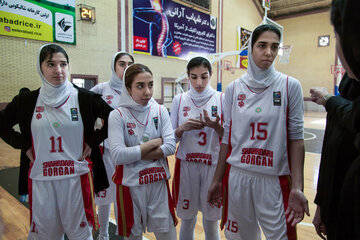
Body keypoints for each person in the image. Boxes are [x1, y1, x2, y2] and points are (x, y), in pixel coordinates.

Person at [0, 44, 113, 240]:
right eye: (51, 64)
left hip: (75, 180)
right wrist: (23, 145)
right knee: (46, 236)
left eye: (63, 64)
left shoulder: (84, 98)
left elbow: (115, 118)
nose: (58, 70)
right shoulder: (27, 101)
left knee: (80, 236)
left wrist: (93, 141)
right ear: (40, 67)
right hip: (42, 181)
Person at [207, 24, 310, 240]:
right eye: (262, 45)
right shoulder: (233, 89)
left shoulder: (290, 85)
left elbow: (296, 139)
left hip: (274, 180)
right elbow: (226, 139)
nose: (269, 52)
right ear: (251, 49)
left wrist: (298, 186)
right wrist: (217, 180)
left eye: (274, 47)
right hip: (238, 176)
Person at [108, 63, 177, 240]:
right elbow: (117, 155)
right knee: (133, 236)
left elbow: (170, 146)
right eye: (140, 86)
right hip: (130, 187)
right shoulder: (118, 115)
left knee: (168, 235)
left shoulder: (160, 110)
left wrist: (133, 153)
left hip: (158, 184)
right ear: (128, 88)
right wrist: (154, 143)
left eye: (151, 85)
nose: (147, 92)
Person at [309, 0, 360, 239]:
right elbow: (332, 153)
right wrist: (323, 205)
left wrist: (329, 100)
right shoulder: (348, 85)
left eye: (338, 36)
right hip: (336, 211)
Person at [170, 56, 223, 240]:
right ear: (187, 76)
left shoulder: (221, 98)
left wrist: (216, 126)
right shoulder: (179, 99)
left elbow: (230, 139)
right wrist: (183, 128)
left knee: (211, 221)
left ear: (211, 74)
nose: (199, 82)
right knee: (187, 219)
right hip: (187, 166)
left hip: (213, 166)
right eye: (194, 77)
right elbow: (171, 139)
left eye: (204, 76)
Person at [90, 51, 134, 240]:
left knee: (124, 197)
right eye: (122, 64)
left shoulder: (134, 88)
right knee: (105, 197)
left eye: (129, 64)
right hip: (107, 151)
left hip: (129, 151)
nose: (126, 68)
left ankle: (124, 233)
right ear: (114, 66)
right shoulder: (101, 89)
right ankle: (104, 234)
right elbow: (83, 106)